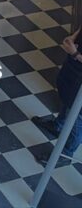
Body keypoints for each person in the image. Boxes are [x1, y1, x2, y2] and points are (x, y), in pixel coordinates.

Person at [31, 26, 82, 167]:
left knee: (78, 116)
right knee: (68, 97)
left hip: (77, 60)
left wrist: (76, 54)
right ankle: (58, 126)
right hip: (74, 65)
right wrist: (74, 36)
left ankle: (66, 153)